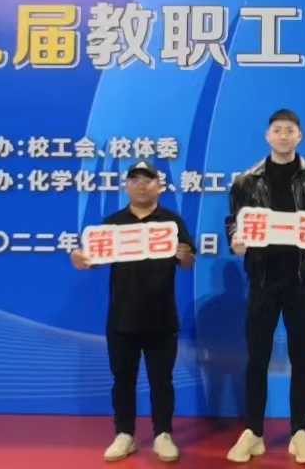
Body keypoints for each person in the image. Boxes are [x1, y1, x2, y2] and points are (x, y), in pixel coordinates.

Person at [224, 109, 305, 464]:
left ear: (299, 136)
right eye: (277, 129)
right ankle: (254, 432)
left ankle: (299, 432)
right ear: (267, 136)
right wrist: (236, 240)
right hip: (262, 280)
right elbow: (234, 222)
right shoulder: (246, 181)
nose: (284, 135)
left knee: (301, 358)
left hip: (300, 280)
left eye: (290, 130)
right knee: (257, 358)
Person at [70, 161, 196, 463]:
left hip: (161, 316)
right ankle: (124, 434)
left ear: (159, 186)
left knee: (161, 380)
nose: (141, 185)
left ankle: (163, 434)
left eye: (147, 180)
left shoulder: (171, 222)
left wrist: (184, 255)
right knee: (122, 380)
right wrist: (80, 259)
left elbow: (188, 261)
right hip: (122, 317)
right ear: (126, 186)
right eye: (134, 180)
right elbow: (90, 259)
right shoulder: (112, 223)